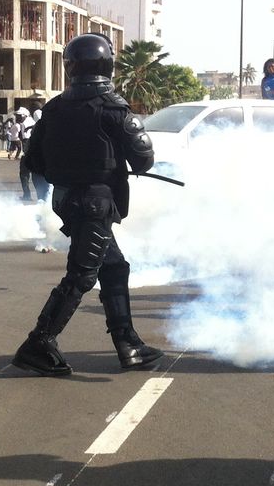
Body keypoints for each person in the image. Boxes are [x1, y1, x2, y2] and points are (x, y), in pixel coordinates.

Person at [14, 34, 165, 376]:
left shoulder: (52, 109)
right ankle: (38, 342)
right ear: (107, 65)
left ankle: (128, 343)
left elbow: (33, 160)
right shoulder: (113, 107)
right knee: (81, 276)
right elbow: (143, 160)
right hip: (96, 203)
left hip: (67, 199)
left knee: (114, 268)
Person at [19, 99, 50, 202]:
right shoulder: (49, 120)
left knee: (40, 186)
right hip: (46, 159)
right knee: (46, 188)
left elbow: (31, 145)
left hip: (38, 159)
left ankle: (43, 207)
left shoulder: (37, 123)